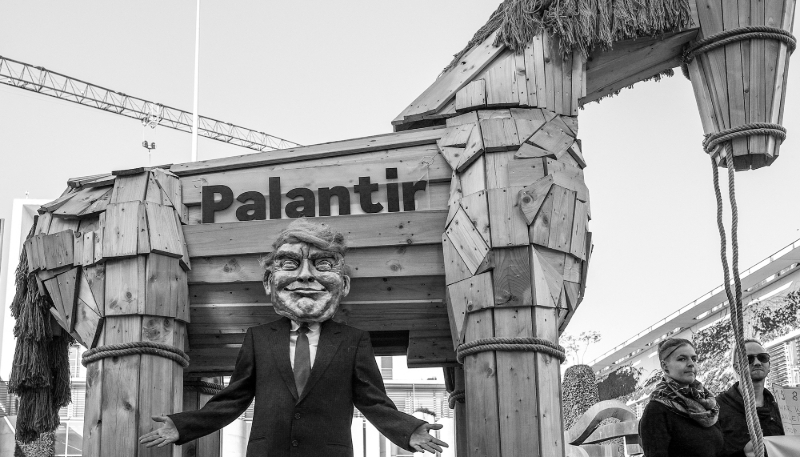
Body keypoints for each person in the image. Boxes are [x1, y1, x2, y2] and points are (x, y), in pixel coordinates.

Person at [139, 219, 449, 456]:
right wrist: (181, 426)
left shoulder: (353, 340)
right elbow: (233, 399)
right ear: (268, 282)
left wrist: (409, 430)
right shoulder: (258, 338)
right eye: (290, 264)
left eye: (323, 264)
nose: (304, 276)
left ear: (344, 284)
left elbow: (373, 400)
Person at [639, 338, 724, 457]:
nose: (691, 364)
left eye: (694, 359)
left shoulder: (708, 406)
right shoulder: (657, 411)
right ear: (665, 366)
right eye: (682, 359)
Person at [717, 339, 784, 457]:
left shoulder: (781, 409)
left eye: (763, 357)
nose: (757, 362)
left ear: (769, 365)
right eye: (749, 359)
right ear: (737, 368)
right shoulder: (718, 408)